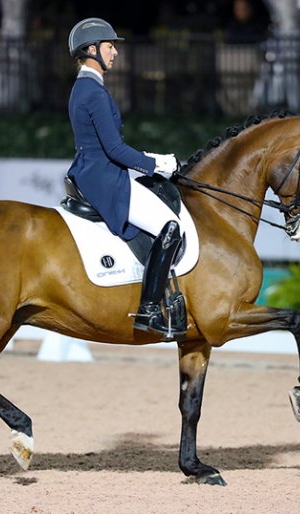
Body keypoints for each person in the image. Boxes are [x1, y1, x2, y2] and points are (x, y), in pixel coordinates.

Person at [66, 17, 185, 339]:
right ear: (91, 50)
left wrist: (148, 159)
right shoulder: (92, 92)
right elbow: (115, 149)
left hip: (95, 171)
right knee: (169, 226)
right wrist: (156, 164)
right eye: (109, 46)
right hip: (105, 178)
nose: (115, 52)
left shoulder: (86, 87)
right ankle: (149, 310)